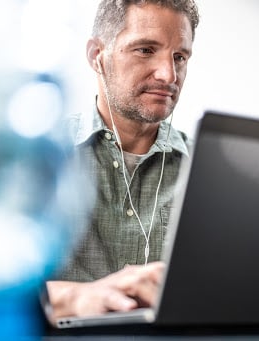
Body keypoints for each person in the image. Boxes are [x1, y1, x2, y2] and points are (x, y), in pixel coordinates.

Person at [44, 0, 199, 323]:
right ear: (96, 56)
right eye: (145, 50)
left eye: (179, 57)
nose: (168, 74)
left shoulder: (206, 172)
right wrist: (75, 297)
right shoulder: (39, 156)